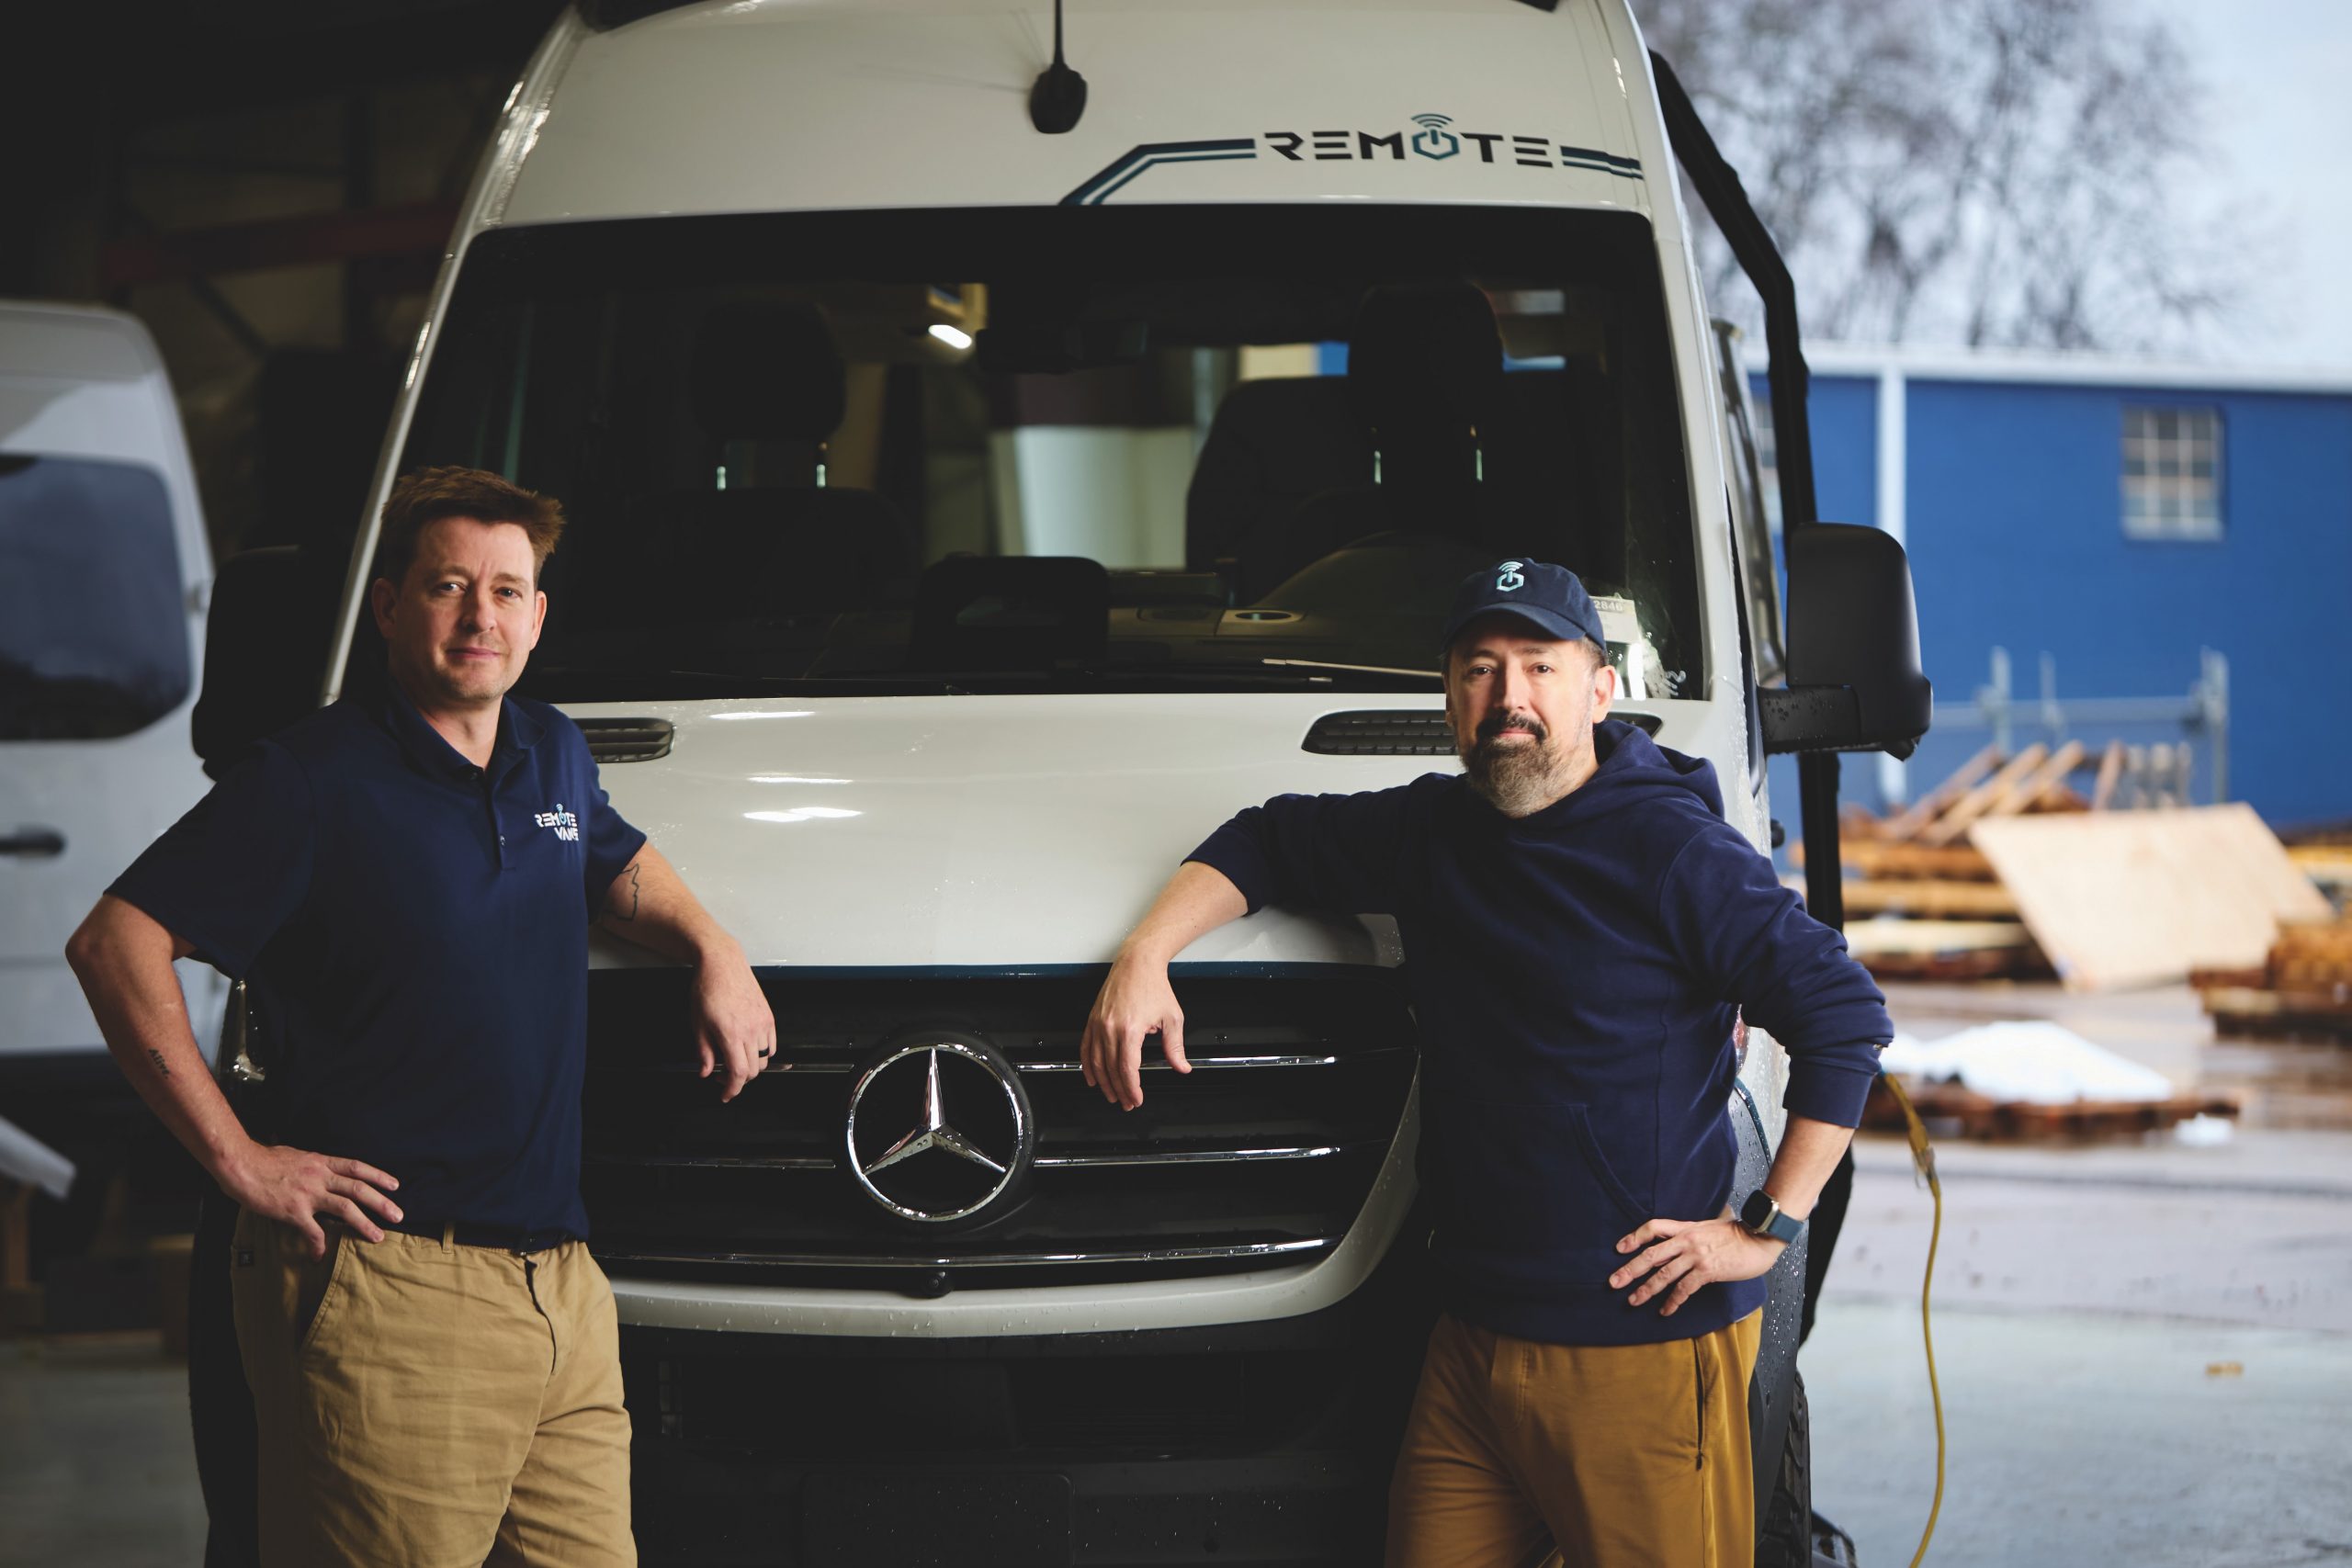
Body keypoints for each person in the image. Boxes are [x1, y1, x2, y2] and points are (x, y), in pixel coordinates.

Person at [1080, 558, 1892, 1567]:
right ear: (1450, 695)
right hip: (1469, 1348)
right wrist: (1146, 952)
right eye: (1480, 668)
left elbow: (1844, 1018)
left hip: (1635, 1347)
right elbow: (1267, 838)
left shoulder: (1673, 850)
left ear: (1600, 690)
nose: (1510, 697)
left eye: (1541, 667)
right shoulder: (1431, 829)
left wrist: (1764, 1229)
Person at [65, 466, 775, 1567]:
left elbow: (616, 867)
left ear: (537, 616)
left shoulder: (551, 751)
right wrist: (241, 1161)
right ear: (390, 606)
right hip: (389, 1284)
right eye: (449, 586)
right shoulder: (310, 779)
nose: (480, 615)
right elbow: (115, 943)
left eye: (506, 590)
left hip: (562, 1290)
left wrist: (713, 947)